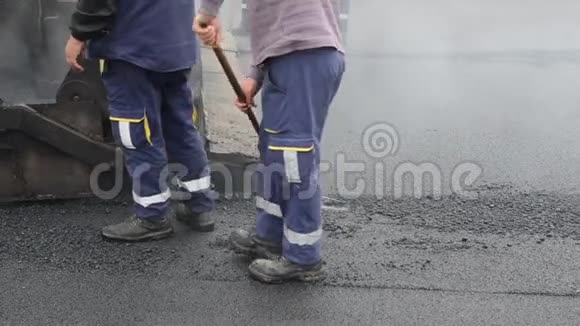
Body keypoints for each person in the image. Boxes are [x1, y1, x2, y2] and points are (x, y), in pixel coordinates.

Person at [194, 0, 345, 283]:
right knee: (274, 151)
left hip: (304, 55)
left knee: (293, 160)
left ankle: (303, 257)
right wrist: (256, 74)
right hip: (287, 56)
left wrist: (207, 14)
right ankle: (269, 237)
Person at [66, 0, 215, 241]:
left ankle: (152, 216)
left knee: (136, 133)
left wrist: (78, 34)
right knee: (181, 127)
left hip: (134, 48)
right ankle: (199, 207)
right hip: (178, 45)